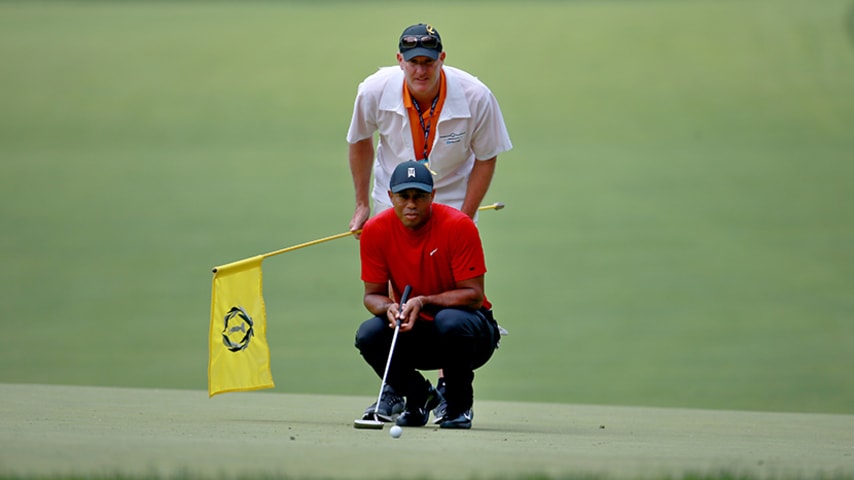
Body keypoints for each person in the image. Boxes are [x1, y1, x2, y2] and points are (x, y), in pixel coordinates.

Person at [346, 22, 512, 423]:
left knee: (446, 290)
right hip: (394, 193)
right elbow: (359, 140)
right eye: (413, 62)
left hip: (451, 195)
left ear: (442, 59)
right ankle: (396, 390)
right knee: (394, 289)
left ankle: (449, 390)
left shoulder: (475, 96)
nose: (421, 70)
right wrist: (360, 204)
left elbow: (487, 156)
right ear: (399, 61)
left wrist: (465, 216)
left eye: (429, 61)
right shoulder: (373, 90)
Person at [354, 161, 500, 429]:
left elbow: (474, 296)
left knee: (449, 321)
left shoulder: (459, 225)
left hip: (471, 334)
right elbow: (371, 296)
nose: (411, 204)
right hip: (413, 330)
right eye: (404, 196)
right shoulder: (375, 230)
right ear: (390, 197)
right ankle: (419, 397)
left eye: (419, 196)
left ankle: (458, 407)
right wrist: (389, 307)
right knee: (369, 335)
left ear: (432, 197)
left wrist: (423, 301)